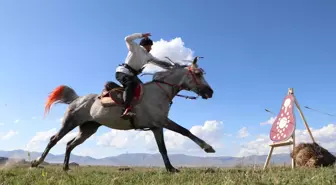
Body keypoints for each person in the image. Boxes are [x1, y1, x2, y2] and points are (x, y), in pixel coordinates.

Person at [115, 32, 171, 119]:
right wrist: (141, 35)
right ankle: (125, 109)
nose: (151, 48)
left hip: (132, 75)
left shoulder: (148, 56)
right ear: (145, 45)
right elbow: (127, 39)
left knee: (143, 90)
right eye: (150, 46)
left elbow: (160, 63)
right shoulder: (135, 47)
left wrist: (174, 67)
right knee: (130, 84)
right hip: (123, 72)